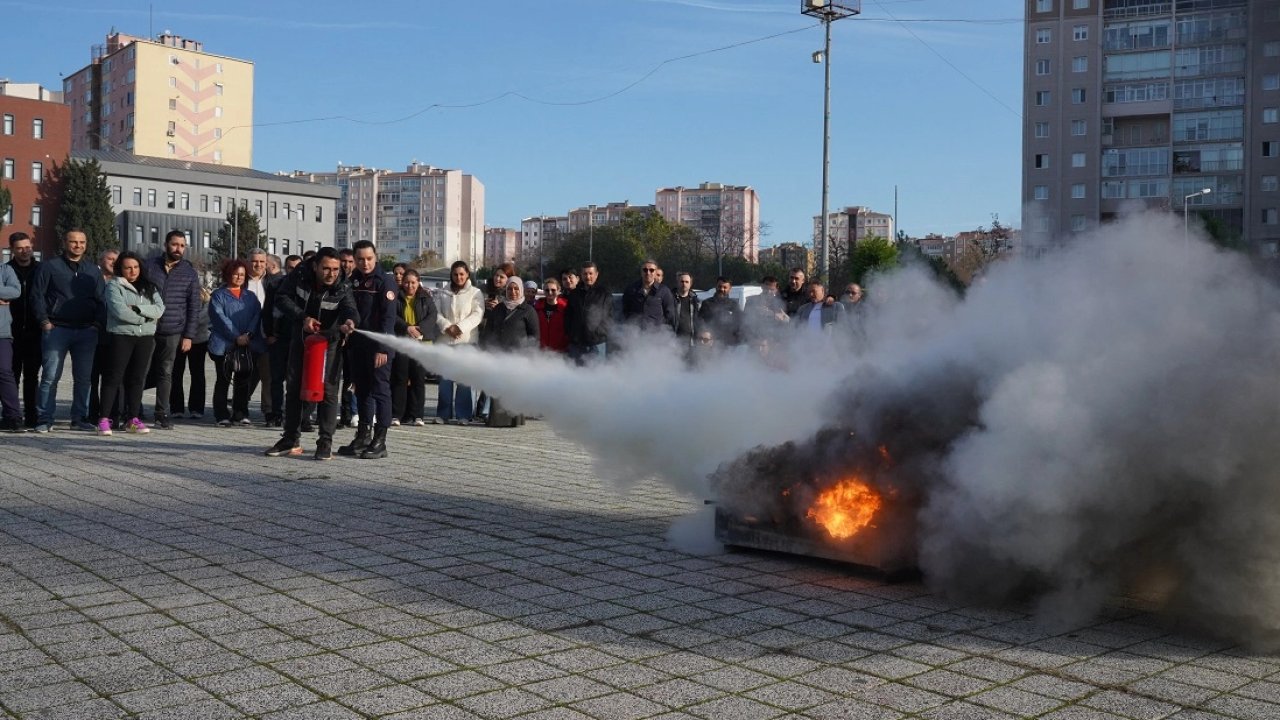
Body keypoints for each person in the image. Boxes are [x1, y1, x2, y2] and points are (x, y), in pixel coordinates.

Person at [265, 249, 358, 460]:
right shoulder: (298, 275)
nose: (331, 274)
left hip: (330, 342)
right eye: (326, 268)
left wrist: (350, 322)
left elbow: (350, 308)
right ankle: (290, 439)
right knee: (295, 387)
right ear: (315, 266)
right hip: (301, 338)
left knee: (329, 391)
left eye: (335, 269)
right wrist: (302, 318)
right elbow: (281, 298)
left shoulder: (343, 284)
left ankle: (325, 442)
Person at [30, 229, 106, 432]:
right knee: (50, 377)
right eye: (73, 242)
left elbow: (101, 300)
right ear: (65, 242)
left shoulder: (92, 270)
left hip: (86, 332)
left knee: (84, 379)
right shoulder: (50, 266)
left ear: (86, 244)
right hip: (57, 329)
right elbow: (37, 295)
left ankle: (79, 418)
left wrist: (97, 324)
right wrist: (44, 322)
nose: (78, 245)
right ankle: (45, 419)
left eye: (82, 242)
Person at [338, 240, 397, 460]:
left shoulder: (385, 282)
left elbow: (388, 319)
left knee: (380, 391)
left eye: (369, 258)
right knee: (362, 391)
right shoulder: (351, 281)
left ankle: (380, 441)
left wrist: (382, 348)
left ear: (376, 257)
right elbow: (346, 308)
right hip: (357, 347)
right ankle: (362, 436)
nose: (365, 263)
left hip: (379, 348)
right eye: (360, 259)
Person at [97, 251, 164, 436]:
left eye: (135, 267)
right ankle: (104, 419)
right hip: (121, 336)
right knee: (113, 377)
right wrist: (145, 318)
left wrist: (137, 308)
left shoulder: (150, 287)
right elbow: (119, 312)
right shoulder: (113, 286)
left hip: (145, 338)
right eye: (128, 267)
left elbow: (159, 309)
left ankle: (132, 419)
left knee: (137, 378)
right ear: (121, 269)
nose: (132, 271)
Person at [143, 230, 201, 429]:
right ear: (166, 244)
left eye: (182, 246)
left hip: (173, 330)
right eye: (175, 244)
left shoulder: (189, 272)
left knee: (166, 372)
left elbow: (194, 306)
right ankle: (132, 409)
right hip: (147, 328)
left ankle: (161, 412)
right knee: (141, 369)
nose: (178, 249)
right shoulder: (149, 267)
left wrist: (188, 336)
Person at [209, 260, 265, 427]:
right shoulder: (218, 295)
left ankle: (240, 413)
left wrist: (248, 334)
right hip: (224, 345)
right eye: (236, 273)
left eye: (242, 274)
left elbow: (257, 315)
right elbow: (219, 318)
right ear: (228, 274)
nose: (239, 277)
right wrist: (235, 336)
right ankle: (221, 414)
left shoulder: (250, 296)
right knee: (223, 379)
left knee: (243, 380)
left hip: (247, 343)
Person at [480, 276, 538, 427]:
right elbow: (489, 331)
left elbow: (534, 336)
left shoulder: (528, 310)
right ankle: (497, 420)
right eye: (510, 289)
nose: (513, 292)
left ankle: (514, 420)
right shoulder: (499, 309)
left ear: (521, 290)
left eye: (516, 288)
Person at [433, 261, 483, 424]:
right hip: (445, 342)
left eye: (462, 274)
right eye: (455, 274)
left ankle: (464, 414)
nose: (458, 277)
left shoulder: (475, 292)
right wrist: (447, 327)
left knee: (464, 381)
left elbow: (477, 314)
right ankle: (443, 414)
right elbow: (436, 313)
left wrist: (460, 328)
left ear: (467, 274)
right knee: (445, 381)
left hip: (466, 341)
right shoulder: (442, 292)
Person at [391, 269, 438, 426]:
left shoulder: (426, 297)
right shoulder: (395, 297)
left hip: (421, 344)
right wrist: (407, 327)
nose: (410, 285)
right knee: (400, 379)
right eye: (407, 282)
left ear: (418, 282)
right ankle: (397, 415)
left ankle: (418, 415)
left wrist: (420, 329)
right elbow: (392, 316)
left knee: (418, 379)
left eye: (413, 282)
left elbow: (433, 316)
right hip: (402, 342)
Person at [7, 232, 41, 429]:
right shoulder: (6, 270)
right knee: (11, 375)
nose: (24, 251)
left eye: (27, 247)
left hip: (35, 331)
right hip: (11, 331)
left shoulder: (41, 269)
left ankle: (31, 414)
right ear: (12, 249)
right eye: (20, 248)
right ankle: (11, 414)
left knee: (32, 376)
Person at [88, 249, 119, 424]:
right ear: (101, 260)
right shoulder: (92, 279)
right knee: (91, 378)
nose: (113, 262)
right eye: (110, 258)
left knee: (112, 377)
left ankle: (112, 414)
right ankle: (91, 413)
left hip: (115, 337)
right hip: (93, 335)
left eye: (117, 259)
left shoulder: (122, 282)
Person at [170, 286, 209, 419]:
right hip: (177, 338)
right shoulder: (176, 294)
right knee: (175, 373)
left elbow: (205, 316)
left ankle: (197, 408)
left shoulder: (203, 295)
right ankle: (176, 407)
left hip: (199, 340)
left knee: (198, 374)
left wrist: (186, 323)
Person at [245, 248, 274, 423]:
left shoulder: (272, 282)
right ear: (248, 262)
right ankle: (241, 410)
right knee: (244, 374)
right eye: (255, 261)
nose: (258, 265)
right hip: (245, 336)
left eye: (262, 262)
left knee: (268, 376)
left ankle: (268, 411)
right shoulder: (241, 281)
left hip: (266, 336)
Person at [566, 261, 611, 364]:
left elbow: (608, 316)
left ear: (596, 274)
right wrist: (572, 333)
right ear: (581, 275)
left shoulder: (604, 293)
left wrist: (599, 333)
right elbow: (568, 316)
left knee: (597, 374)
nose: (588, 276)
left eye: (590, 273)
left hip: (597, 343)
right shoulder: (574, 294)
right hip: (577, 343)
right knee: (576, 374)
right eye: (585, 274)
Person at [0, 259, 22, 432]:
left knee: (5, 372)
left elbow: (15, 291)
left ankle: (13, 416)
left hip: (2, 332)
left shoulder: (5, 269)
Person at [621, 260, 674, 332]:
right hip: (634, 334)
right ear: (641, 272)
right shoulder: (631, 289)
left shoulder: (664, 291)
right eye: (645, 270)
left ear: (655, 273)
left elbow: (669, 314)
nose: (648, 273)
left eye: (651, 270)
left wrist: (661, 328)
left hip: (657, 335)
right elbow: (625, 311)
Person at [698, 276, 741, 345]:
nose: (721, 289)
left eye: (725, 287)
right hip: (711, 343)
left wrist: (736, 341)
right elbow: (700, 321)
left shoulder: (734, 305)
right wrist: (705, 331)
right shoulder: (707, 303)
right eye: (719, 286)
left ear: (730, 289)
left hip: (729, 345)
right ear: (716, 287)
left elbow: (739, 324)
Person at [535, 278, 568, 353]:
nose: (550, 292)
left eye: (553, 290)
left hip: (561, 352)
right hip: (541, 352)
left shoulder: (566, 308)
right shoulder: (537, 308)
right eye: (547, 290)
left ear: (558, 290)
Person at [671, 271, 700, 348]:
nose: (684, 284)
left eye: (687, 282)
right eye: (682, 281)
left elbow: (699, 320)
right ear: (677, 283)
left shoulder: (696, 301)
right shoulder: (670, 299)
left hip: (691, 343)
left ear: (690, 284)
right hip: (673, 342)